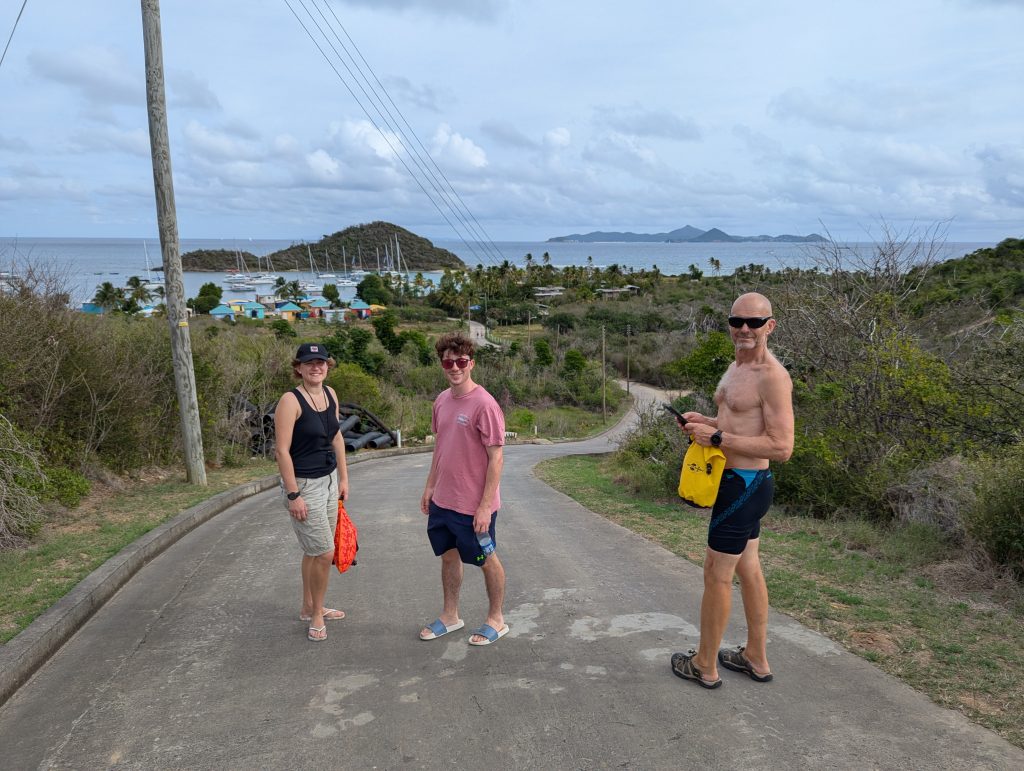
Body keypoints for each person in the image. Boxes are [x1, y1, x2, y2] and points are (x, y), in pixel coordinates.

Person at [670, 292, 794, 688]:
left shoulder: (772, 377)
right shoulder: (736, 367)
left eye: (754, 322)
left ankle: (704, 665)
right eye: (736, 321)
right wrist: (705, 422)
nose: (744, 329)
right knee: (748, 567)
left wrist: (718, 438)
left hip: (745, 485)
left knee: (716, 573)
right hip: (738, 484)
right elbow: (736, 422)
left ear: (770, 326)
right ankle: (755, 656)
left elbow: (782, 447)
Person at [419, 332, 509, 646]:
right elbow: (441, 447)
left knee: (486, 559)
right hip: (443, 501)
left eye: (461, 361)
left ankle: (496, 619)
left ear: (471, 363)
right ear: (442, 365)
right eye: (448, 363)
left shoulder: (485, 405)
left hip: (473, 507)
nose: (455, 368)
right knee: (448, 557)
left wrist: (484, 506)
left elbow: (496, 458)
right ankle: (450, 616)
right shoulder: (442, 400)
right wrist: (430, 486)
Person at [274, 342, 350, 642]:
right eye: (309, 363)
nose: (316, 367)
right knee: (324, 552)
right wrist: (293, 495)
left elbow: (336, 437)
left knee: (314, 549)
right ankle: (317, 614)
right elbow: (281, 451)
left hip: (329, 480)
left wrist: (343, 477)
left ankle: (308, 606)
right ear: (299, 368)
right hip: (304, 484)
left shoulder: (330, 394)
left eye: (321, 362)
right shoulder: (290, 401)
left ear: (327, 366)